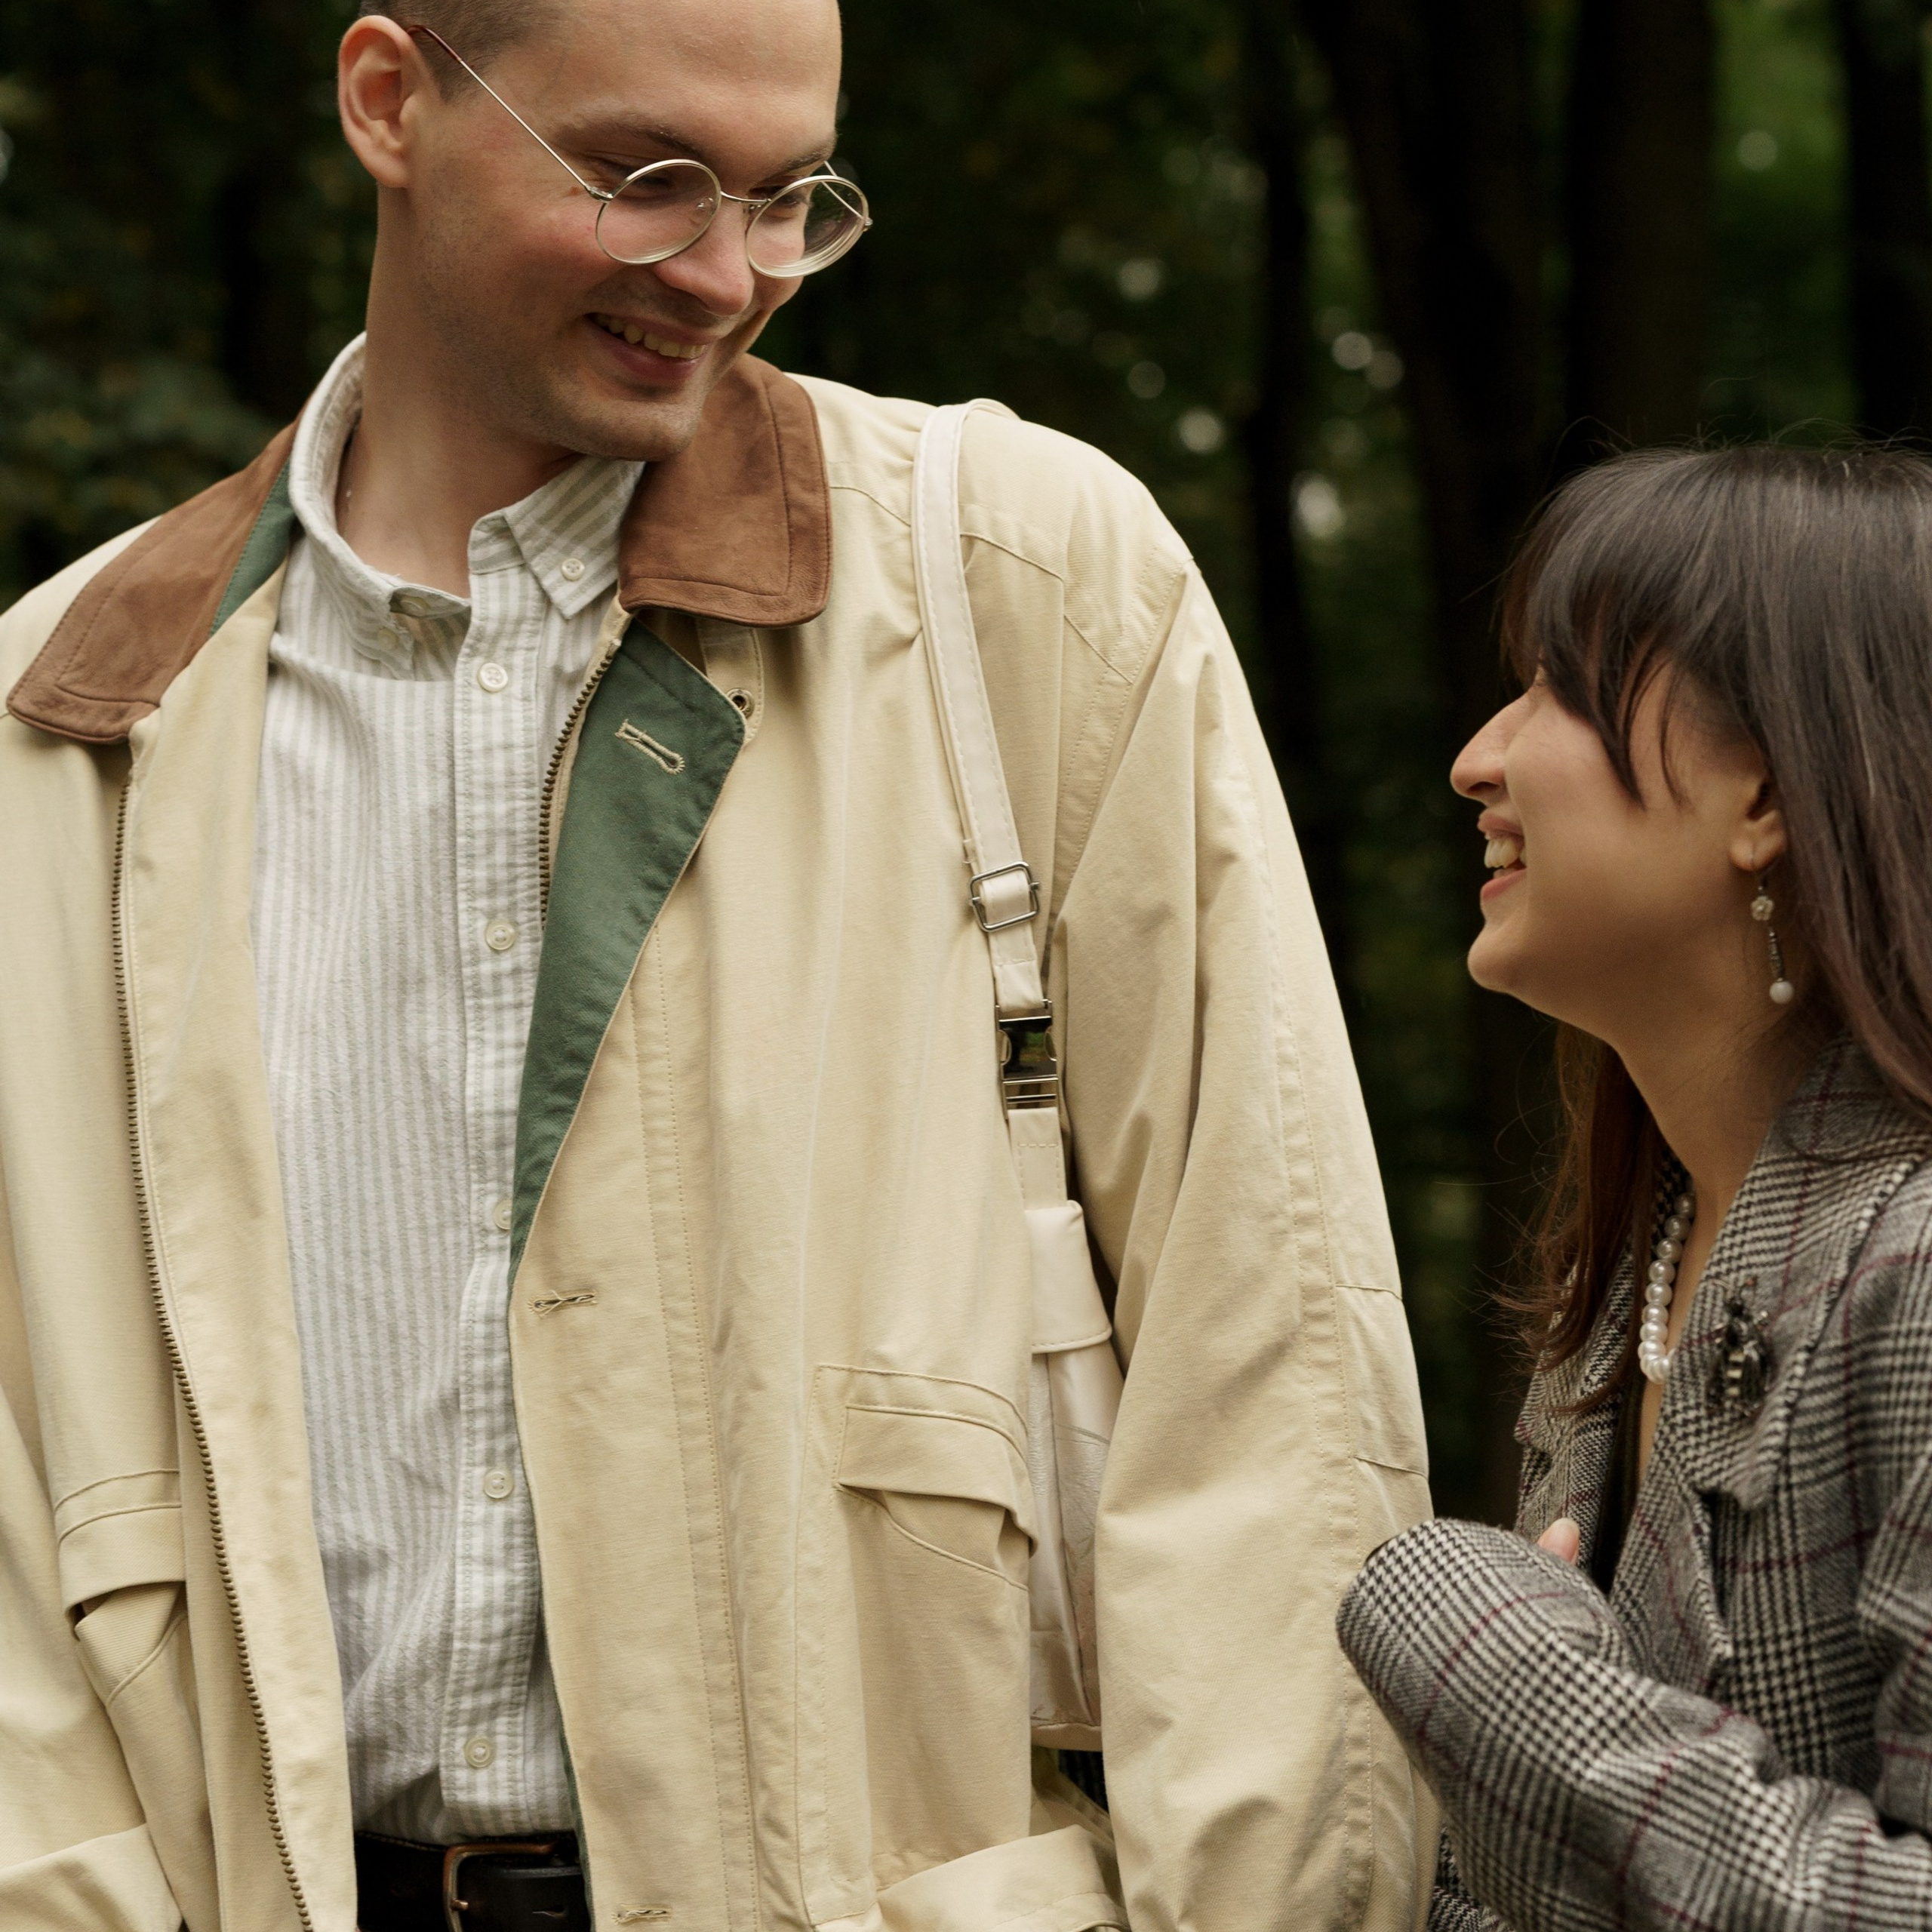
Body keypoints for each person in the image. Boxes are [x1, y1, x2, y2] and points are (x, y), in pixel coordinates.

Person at [0, 1, 1434, 1927]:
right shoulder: (60, 714)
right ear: (387, 102)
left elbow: (1270, 1363)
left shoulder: (1021, 581)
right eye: (645, 178)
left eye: (788, 199)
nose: (722, 272)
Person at [1337, 442, 1932, 1931]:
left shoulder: (1916, 1269)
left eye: (1555, 685)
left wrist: (1503, 1676)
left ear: (1765, 793)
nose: (1478, 754)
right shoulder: (1629, 1283)